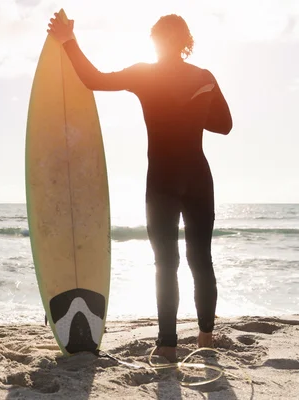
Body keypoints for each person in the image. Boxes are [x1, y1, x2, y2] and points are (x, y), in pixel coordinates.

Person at [47, 12, 233, 362]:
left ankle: (167, 344)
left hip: (162, 179)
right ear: (185, 41)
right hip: (198, 178)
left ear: (155, 41)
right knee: (201, 260)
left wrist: (69, 41)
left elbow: (93, 79)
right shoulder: (204, 78)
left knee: (166, 263)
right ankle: (206, 337)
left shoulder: (145, 75)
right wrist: (192, 110)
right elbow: (224, 125)